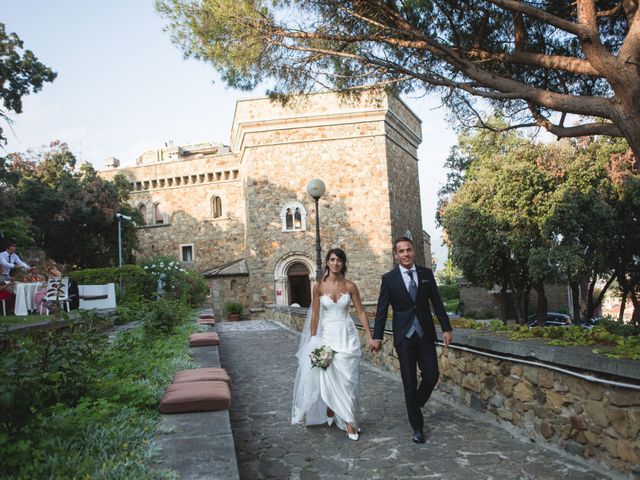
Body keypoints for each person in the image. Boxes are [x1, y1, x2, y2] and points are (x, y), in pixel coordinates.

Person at [371, 237, 453, 444]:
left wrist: (446, 328)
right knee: (409, 381)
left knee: (432, 374)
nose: (405, 254)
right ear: (396, 255)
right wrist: (377, 336)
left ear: (414, 251)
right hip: (404, 336)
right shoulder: (389, 279)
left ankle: (415, 404)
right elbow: (382, 310)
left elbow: (436, 302)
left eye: (408, 250)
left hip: (425, 334)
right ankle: (417, 427)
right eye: (401, 251)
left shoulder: (426, 274)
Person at [291, 248, 373, 441]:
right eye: (332, 260)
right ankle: (348, 421)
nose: (336, 263)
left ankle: (345, 416)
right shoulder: (318, 287)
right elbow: (316, 314)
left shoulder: (351, 286)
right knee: (329, 378)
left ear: (344, 264)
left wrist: (370, 335)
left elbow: (361, 312)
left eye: (339, 260)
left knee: (349, 381)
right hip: (327, 336)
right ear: (327, 262)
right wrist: (313, 339)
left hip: (347, 336)